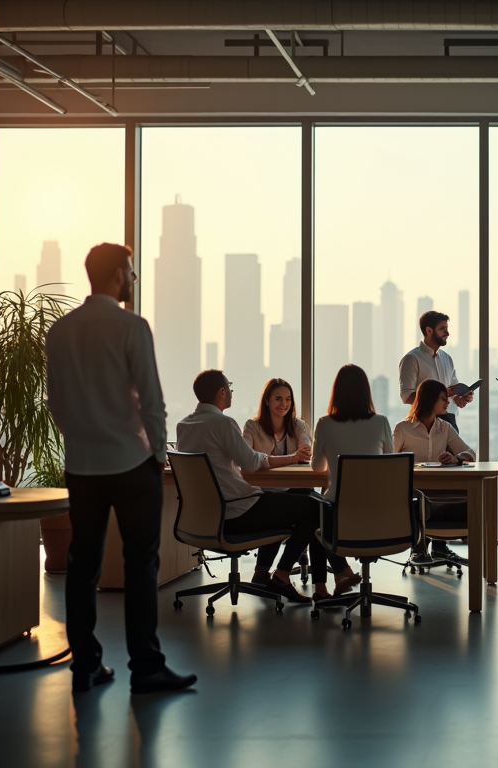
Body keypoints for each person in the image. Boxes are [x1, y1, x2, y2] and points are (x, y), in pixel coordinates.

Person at [46, 242, 196, 695]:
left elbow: (55, 404)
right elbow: (152, 401)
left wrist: (80, 439)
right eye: (130, 271)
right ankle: (146, 667)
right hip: (131, 463)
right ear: (115, 276)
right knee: (140, 565)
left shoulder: (61, 330)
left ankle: (85, 665)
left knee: (83, 563)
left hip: (83, 464)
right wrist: (156, 457)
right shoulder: (132, 326)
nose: (133, 279)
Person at [176, 370, 342, 603]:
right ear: (222, 392)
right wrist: (292, 458)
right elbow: (252, 462)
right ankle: (282, 576)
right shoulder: (224, 424)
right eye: (229, 387)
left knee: (304, 503)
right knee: (317, 509)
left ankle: (267, 573)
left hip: (203, 517)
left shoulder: (184, 425)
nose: (231, 392)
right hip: (238, 510)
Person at [242, 378, 360, 595]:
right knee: (317, 512)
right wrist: (291, 458)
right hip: (262, 494)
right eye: (278, 398)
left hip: (293, 491)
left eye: (288, 399)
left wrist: (300, 452)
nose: (283, 404)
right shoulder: (252, 426)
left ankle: (273, 574)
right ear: (266, 401)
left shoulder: (297, 425)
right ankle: (333, 574)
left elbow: (305, 448)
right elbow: (247, 460)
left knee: (317, 510)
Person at [393, 379, 476, 567]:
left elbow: (471, 453)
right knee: (418, 497)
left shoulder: (444, 427)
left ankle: (434, 547)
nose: (448, 403)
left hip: (438, 494)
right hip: (412, 492)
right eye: (443, 399)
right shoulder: (403, 429)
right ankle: (419, 548)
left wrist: (456, 459)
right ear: (430, 400)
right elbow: (390, 463)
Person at [311, 364, 394, 505]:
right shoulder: (381, 422)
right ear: (366, 391)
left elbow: (318, 467)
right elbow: (390, 465)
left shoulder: (324, 424)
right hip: (375, 503)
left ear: (337, 392)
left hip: (338, 505)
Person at [399, 310, 473, 432]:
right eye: (442, 329)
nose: (447, 333)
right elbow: (406, 396)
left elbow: (453, 391)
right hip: (425, 423)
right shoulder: (411, 359)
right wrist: (441, 395)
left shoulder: (447, 358)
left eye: (447, 328)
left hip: (450, 421)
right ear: (429, 330)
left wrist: (461, 396)